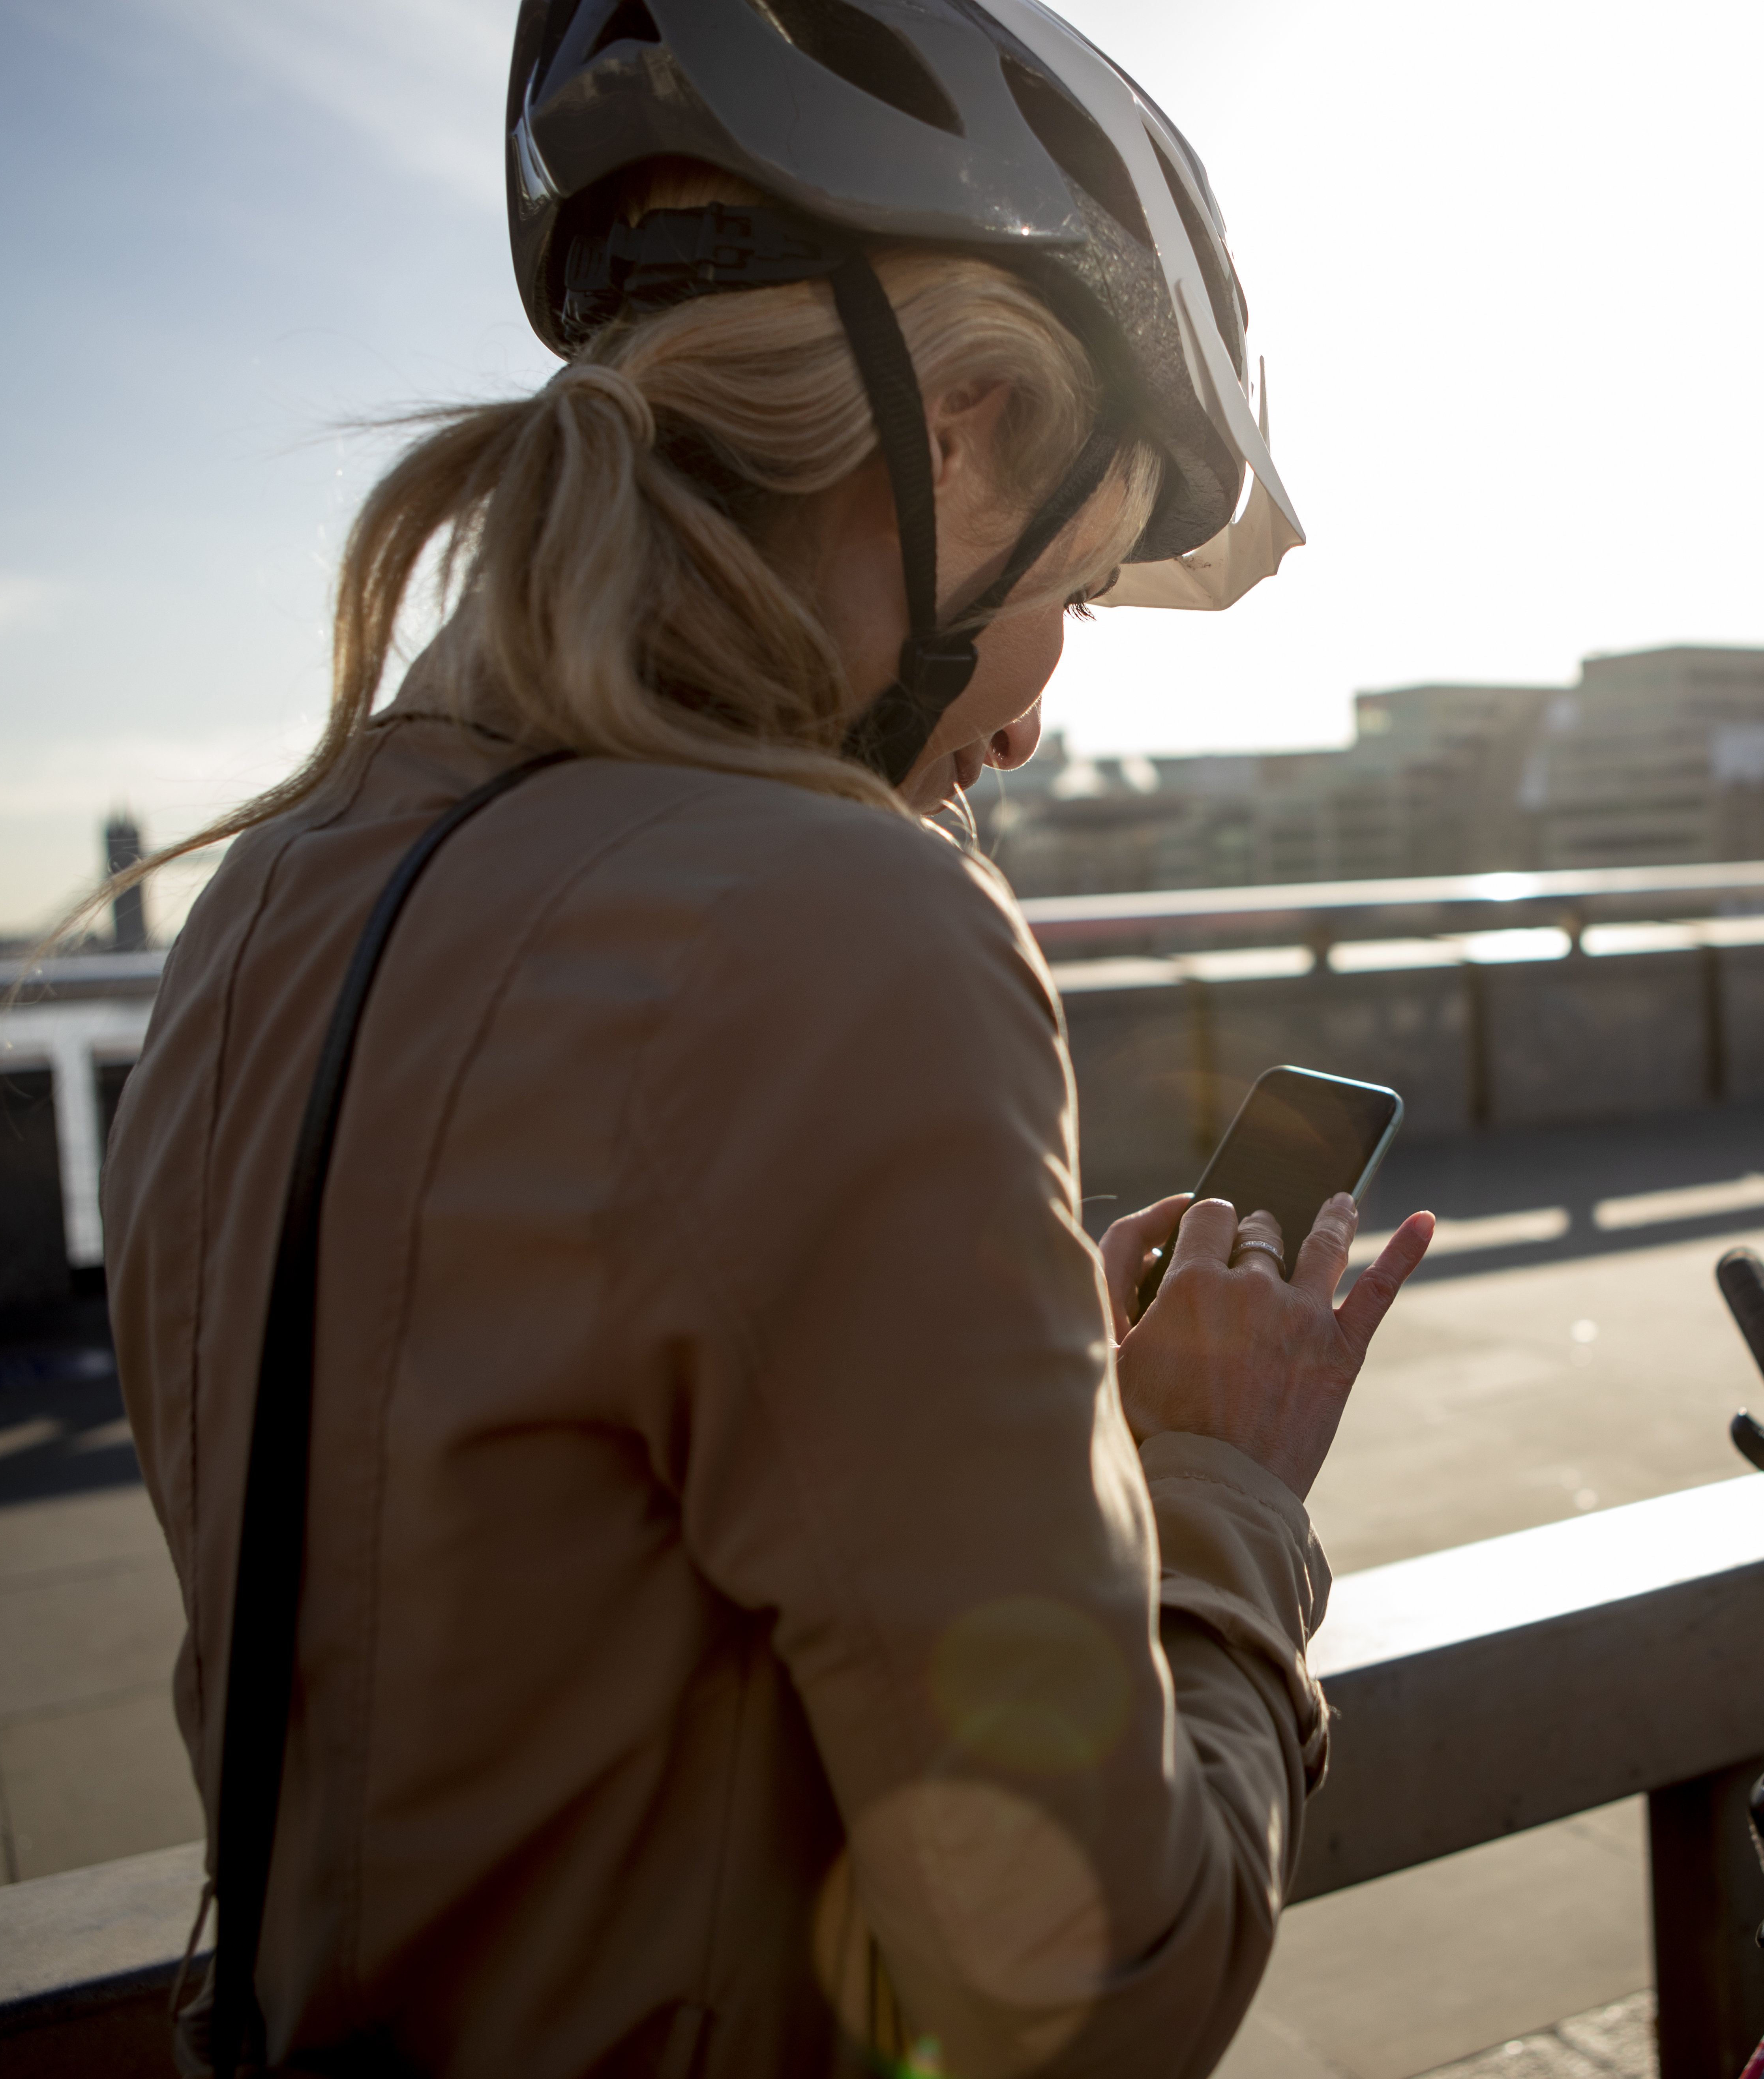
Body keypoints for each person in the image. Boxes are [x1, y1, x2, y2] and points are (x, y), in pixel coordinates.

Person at [94, 5, 1434, 2074]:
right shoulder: (841, 928)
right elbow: (1094, 1986)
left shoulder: (265, 906)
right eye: (1071, 588)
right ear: (965, 428)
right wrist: (1213, 1487)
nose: (1034, 711)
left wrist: (969, 1379)